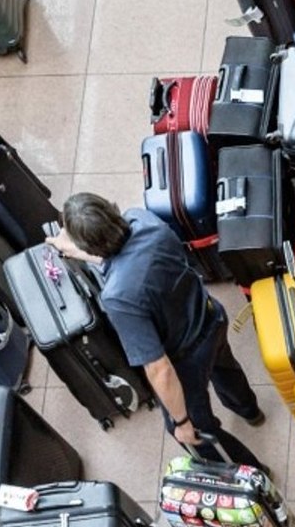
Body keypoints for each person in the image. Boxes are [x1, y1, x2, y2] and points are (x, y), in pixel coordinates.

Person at [46, 193, 267, 470]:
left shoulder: (118, 298)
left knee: (197, 432)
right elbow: (128, 257)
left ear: (90, 244)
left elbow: (159, 368)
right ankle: (250, 411)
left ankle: (252, 473)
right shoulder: (144, 221)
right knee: (225, 368)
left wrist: (182, 422)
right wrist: (80, 250)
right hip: (209, 316)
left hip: (187, 357)